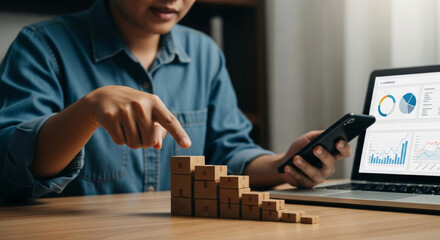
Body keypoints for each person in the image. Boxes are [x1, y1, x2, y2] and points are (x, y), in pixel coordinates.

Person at [0, 0, 351, 202]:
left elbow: (228, 154)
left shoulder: (204, 53)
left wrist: (284, 164)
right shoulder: (41, 46)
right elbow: (14, 168)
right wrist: (89, 109)